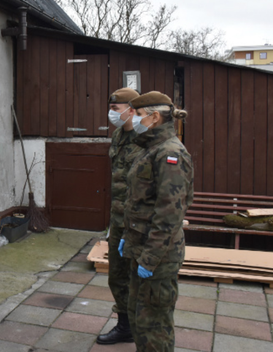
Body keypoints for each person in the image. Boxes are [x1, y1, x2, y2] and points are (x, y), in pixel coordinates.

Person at [119, 91, 193, 352]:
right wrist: (128, 237)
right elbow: (140, 202)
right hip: (142, 248)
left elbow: (169, 214)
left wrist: (150, 258)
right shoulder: (150, 149)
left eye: (138, 115)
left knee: (154, 325)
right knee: (139, 317)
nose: (134, 119)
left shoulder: (170, 154)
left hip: (157, 255)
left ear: (154, 117)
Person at [97, 87, 141, 345]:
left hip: (138, 221)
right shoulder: (117, 137)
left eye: (115, 109)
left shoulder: (144, 137)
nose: (111, 114)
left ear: (131, 110)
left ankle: (140, 326)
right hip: (119, 218)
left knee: (137, 277)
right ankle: (125, 326)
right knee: (117, 275)